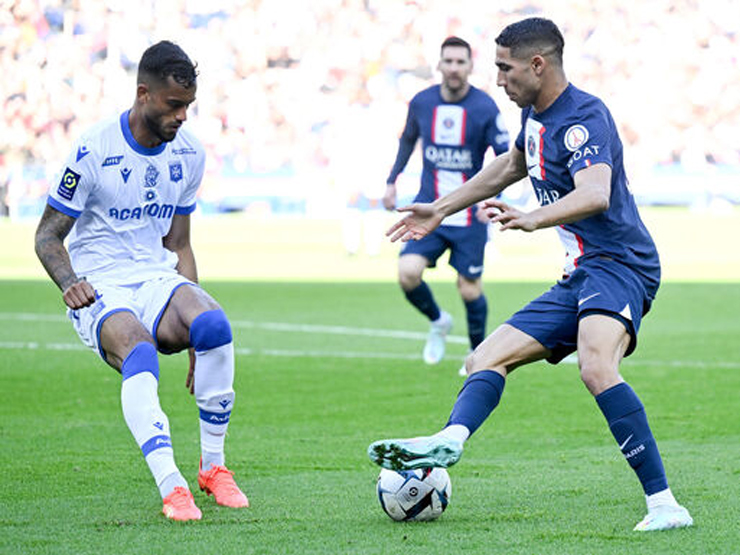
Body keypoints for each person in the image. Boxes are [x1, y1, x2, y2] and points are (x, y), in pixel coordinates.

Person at [368, 18, 693, 532]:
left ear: (537, 65)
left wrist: (533, 218)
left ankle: (664, 504)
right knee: (485, 357)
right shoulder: (534, 117)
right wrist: (440, 208)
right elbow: (508, 166)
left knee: (595, 364)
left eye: (505, 67)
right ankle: (449, 440)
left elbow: (595, 193)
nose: (498, 79)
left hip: (622, 263)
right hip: (583, 271)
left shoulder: (585, 116)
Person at [34, 41, 248, 522]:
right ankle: (172, 486)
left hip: (154, 277)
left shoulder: (188, 153)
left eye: (189, 106)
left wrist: (194, 334)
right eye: (175, 106)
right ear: (143, 94)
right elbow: (47, 235)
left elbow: (181, 245)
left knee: (214, 326)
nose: (183, 118)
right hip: (100, 283)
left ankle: (213, 469)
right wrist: (69, 282)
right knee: (140, 352)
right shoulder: (93, 149)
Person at [383, 36, 509, 369]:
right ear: (439, 65)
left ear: (470, 66)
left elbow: (505, 156)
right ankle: (438, 321)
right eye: (448, 61)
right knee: (407, 273)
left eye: (460, 62)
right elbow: (407, 141)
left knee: (469, 290)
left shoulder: (484, 107)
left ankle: (477, 358)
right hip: (429, 210)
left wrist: (496, 197)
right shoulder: (422, 103)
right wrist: (392, 181)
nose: (454, 68)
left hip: (469, 215)